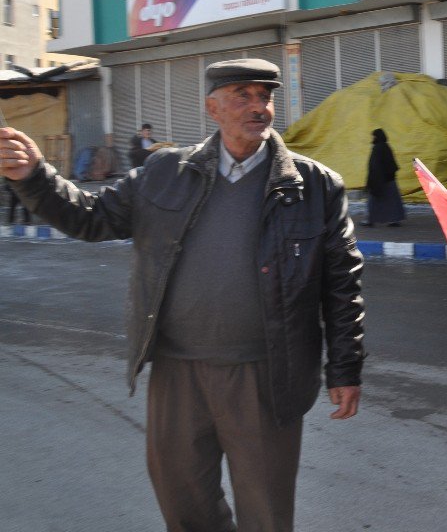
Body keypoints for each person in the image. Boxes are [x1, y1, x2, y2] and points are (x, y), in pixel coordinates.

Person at [0, 58, 366, 532]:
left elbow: (342, 284)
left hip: (263, 374)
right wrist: (34, 175)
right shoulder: (163, 172)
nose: (259, 107)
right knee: (182, 500)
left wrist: (345, 367)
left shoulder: (314, 185)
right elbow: (90, 217)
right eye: (243, 95)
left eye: (265, 96)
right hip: (177, 372)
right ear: (212, 107)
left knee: (267, 511)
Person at [365, 128, 405, 227]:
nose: (372, 138)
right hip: (389, 178)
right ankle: (394, 220)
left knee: (374, 201)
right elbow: (391, 164)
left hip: (379, 180)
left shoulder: (377, 148)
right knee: (392, 201)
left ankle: (371, 220)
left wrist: (372, 181)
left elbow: (375, 166)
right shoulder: (386, 147)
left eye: (374, 136)